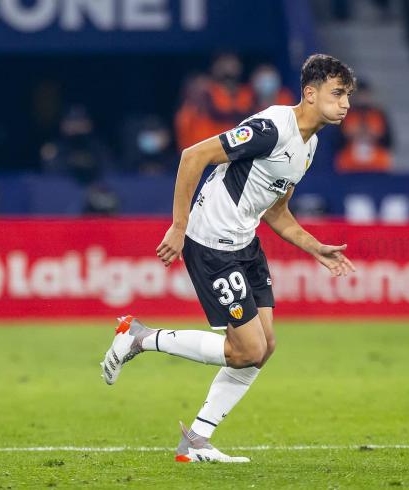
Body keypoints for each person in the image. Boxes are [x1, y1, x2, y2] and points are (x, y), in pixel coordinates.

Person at [101, 54, 357, 463]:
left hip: (245, 242)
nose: (346, 103)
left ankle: (197, 440)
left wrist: (314, 246)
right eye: (337, 93)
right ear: (310, 94)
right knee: (247, 350)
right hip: (211, 243)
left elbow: (275, 210)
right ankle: (139, 338)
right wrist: (178, 226)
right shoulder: (273, 127)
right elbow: (193, 156)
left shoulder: (309, 146)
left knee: (265, 346)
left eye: (348, 95)